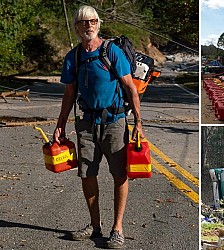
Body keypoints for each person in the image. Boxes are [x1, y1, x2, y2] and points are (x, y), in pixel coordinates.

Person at [53, 5, 143, 249]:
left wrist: (138, 123)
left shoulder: (111, 51)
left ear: (98, 24)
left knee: (119, 174)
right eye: (83, 22)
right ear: (77, 28)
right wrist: (60, 124)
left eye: (92, 21)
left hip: (115, 122)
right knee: (87, 174)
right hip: (86, 124)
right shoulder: (74, 57)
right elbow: (69, 92)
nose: (88, 26)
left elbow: (130, 89)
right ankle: (95, 226)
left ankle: (118, 229)